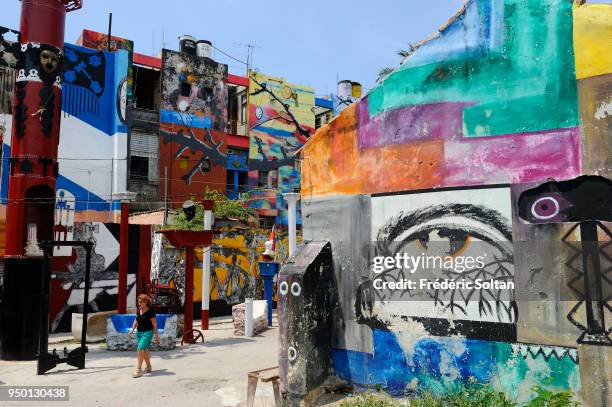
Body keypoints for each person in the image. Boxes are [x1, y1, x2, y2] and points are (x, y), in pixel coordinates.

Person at [128, 294, 160, 378]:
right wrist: (132, 330)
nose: (139, 303)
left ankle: (138, 370)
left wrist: (156, 335)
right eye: (138, 302)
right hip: (139, 332)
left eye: (141, 302)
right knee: (144, 350)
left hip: (148, 333)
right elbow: (136, 320)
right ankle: (148, 367)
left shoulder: (150, 312)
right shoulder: (139, 310)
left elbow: (155, 324)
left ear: (146, 302)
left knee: (140, 349)